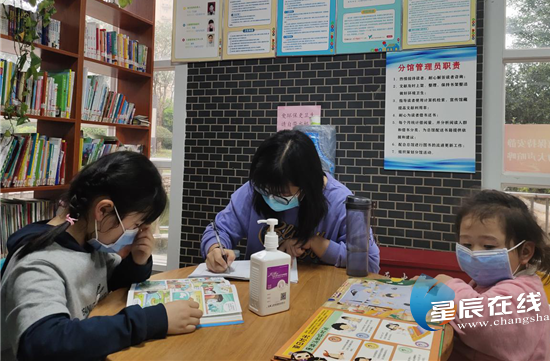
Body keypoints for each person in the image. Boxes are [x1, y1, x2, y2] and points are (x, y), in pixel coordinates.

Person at [1, 152, 203, 361]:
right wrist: (151, 321)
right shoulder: (37, 264)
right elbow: (43, 343)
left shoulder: (89, 242)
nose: (137, 233)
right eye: (135, 225)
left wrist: (137, 261)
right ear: (104, 210)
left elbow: (113, 282)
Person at [201, 130, 380, 273]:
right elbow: (219, 229)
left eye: (282, 193)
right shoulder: (255, 189)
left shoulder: (340, 201)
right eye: (266, 190)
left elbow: (370, 263)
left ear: (307, 185)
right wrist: (215, 249)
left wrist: (315, 242)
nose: (271, 197)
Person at [434, 190, 550, 361]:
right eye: (466, 244)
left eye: (488, 246)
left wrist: (447, 286)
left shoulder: (525, 294)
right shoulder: (488, 281)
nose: (474, 253)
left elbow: (478, 320)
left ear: (525, 252)